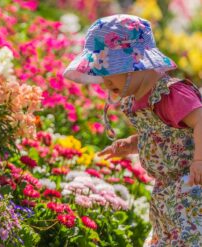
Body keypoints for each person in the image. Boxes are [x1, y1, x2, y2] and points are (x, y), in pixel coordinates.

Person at [63, 14, 202, 246]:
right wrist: (131, 144)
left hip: (193, 186)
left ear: (136, 65)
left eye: (109, 70)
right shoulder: (137, 99)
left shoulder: (171, 94)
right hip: (167, 193)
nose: (104, 81)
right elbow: (163, 135)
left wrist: (199, 159)